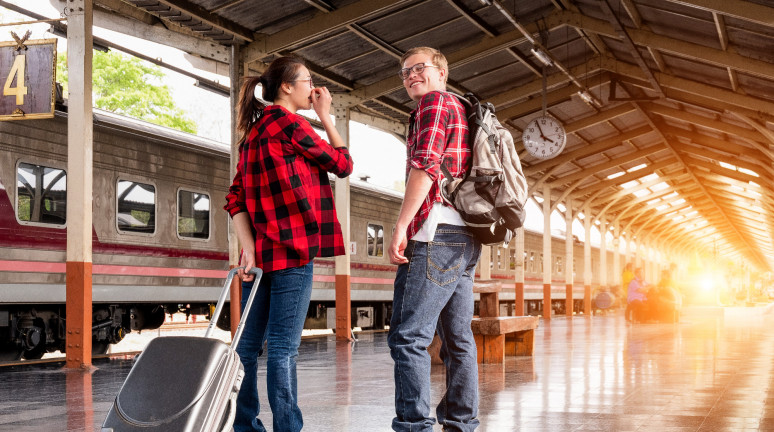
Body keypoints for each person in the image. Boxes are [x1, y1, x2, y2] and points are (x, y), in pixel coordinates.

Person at [224, 56, 353, 432]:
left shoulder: (253, 134)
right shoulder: (292, 125)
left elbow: (234, 197)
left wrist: (248, 248)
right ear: (287, 87)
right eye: (307, 81)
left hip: (261, 260)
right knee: (283, 349)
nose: (312, 89)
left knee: (246, 348)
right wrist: (326, 115)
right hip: (294, 254)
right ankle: (287, 428)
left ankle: (245, 427)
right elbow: (342, 164)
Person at [387, 46, 481, 432]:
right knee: (458, 339)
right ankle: (461, 422)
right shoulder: (460, 107)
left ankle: (414, 426)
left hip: (435, 232)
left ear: (442, 72)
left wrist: (402, 225)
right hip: (465, 235)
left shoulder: (435, 103)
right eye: (405, 72)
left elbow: (426, 165)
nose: (411, 76)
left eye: (419, 68)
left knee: (408, 337)